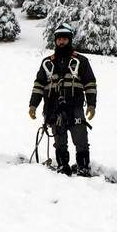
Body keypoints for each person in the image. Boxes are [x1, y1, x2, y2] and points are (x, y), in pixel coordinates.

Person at [28, 23, 97, 176]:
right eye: (59, 39)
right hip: (53, 108)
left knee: (80, 139)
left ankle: (83, 167)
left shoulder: (81, 61)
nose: (61, 42)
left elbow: (90, 84)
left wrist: (91, 105)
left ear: (70, 40)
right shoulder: (47, 63)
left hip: (75, 106)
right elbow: (39, 85)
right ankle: (62, 166)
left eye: (64, 39)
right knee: (59, 140)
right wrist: (33, 105)